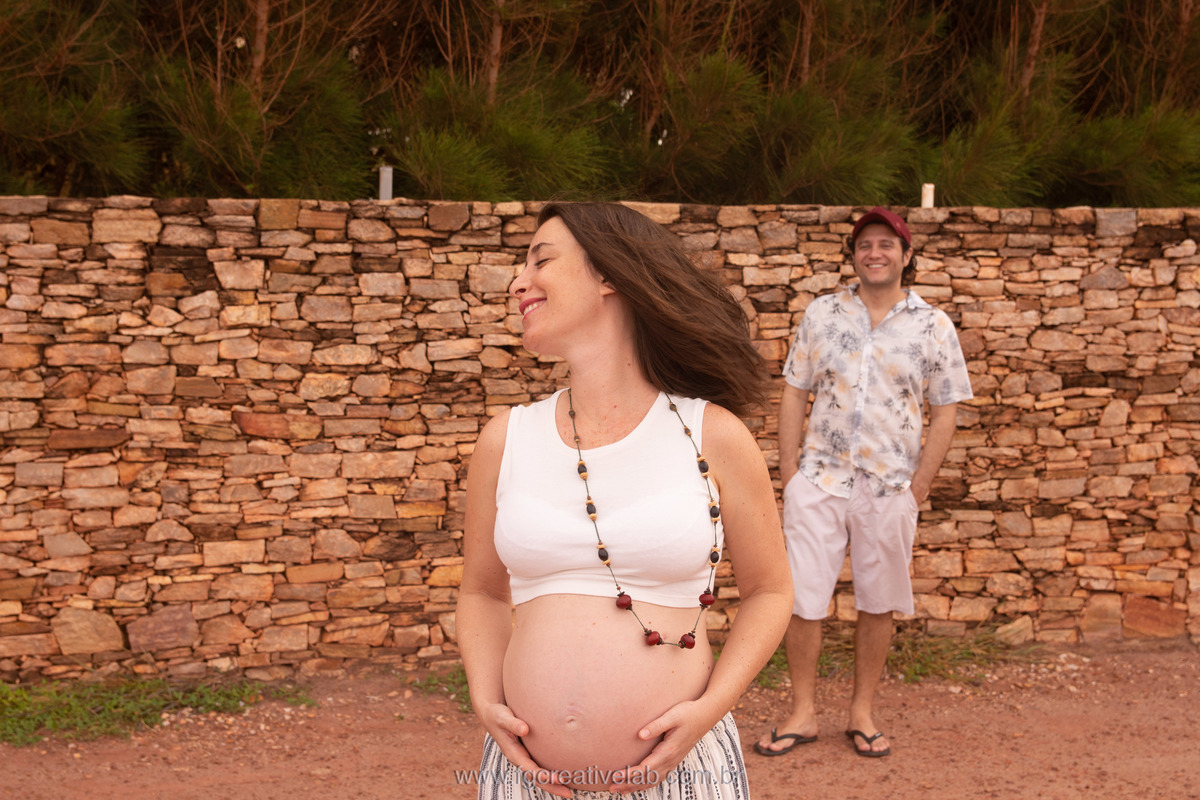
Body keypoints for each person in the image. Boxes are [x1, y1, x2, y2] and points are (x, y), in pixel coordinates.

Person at [458, 202, 793, 799]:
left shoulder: (712, 435)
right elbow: (481, 592)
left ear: (609, 274)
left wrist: (709, 710)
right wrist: (485, 700)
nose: (517, 282)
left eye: (540, 261)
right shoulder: (505, 438)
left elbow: (770, 591)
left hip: (681, 775)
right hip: (525, 781)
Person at [754, 206, 973, 759]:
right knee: (803, 600)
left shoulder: (933, 325)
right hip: (819, 480)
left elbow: (947, 408)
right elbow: (795, 391)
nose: (875, 253)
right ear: (853, 255)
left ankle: (862, 713)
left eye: (886, 244)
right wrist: (789, 473)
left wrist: (919, 486)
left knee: (879, 601)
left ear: (906, 254)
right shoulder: (822, 313)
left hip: (891, 486)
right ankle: (802, 713)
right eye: (865, 245)